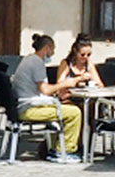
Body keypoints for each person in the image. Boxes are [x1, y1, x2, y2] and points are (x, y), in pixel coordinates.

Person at [10, 33, 84, 163]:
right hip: (29, 109)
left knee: (65, 108)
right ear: (47, 48)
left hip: (25, 104)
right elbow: (45, 89)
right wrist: (65, 84)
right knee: (74, 112)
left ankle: (55, 148)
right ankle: (65, 150)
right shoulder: (37, 62)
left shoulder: (28, 59)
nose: (53, 53)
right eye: (53, 50)